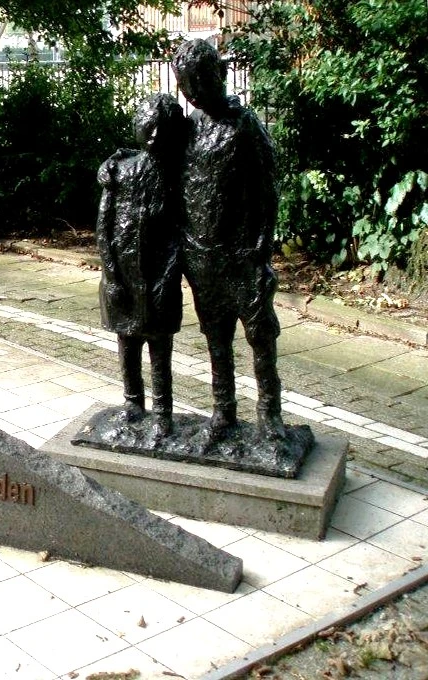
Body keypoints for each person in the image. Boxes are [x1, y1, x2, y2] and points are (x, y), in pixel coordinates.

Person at [172, 39, 286, 444]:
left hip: (243, 253)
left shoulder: (244, 124)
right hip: (202, 254)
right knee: (216, 337)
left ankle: (269, 413)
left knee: (259, 335)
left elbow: (268, 188)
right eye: (187, 87)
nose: (194, 93)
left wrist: (261, 245)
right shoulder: (190, 128)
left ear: (218, 75)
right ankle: (223, 411)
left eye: (200, 83)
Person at [96, 93, 186, 440]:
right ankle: (133, 403)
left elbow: (181, 230)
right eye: (148, 131)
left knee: (160, 346)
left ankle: (163, 410)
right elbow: (104, 227)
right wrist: (111, 274)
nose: (153, 140)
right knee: (128, 343)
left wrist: (168, 274)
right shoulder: (120, 171)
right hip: (122, 275)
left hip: (160, 276)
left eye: (161, 133)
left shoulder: (177, 174)